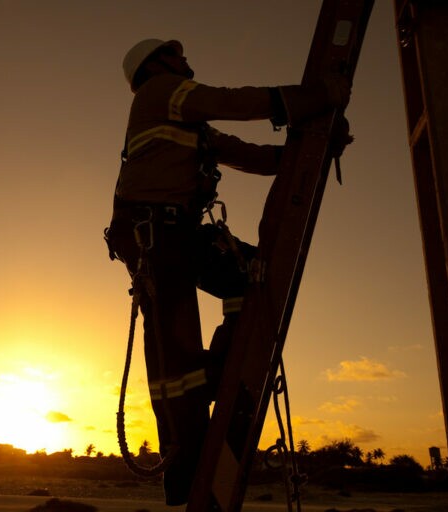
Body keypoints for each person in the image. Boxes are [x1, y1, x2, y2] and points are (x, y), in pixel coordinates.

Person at [104, 39, 350, 506]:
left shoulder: (190, 124)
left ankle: (222, 369)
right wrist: (316, 96)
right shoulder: (162, 92)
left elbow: (249, 155)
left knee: (245, 276)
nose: (184, 59)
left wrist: (315, 147)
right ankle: (185, 464)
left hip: (176, 232)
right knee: (175, 365)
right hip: (155, 233)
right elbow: (234, 101)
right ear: (155, 65)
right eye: (174, 54)